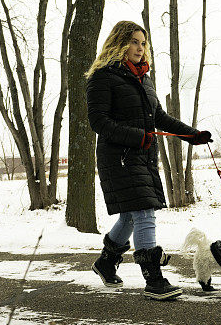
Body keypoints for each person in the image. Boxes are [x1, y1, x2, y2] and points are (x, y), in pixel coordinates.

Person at [85, 20, 212, 300]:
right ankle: (153, 278)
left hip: (143, 156)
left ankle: (106, 262)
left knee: (131, 215)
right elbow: (99, 121)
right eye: (134, 42)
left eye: (143, 43)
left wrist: (193, 135)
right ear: (119, 43)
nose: (140, 48)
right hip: (118, 158)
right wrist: (136, 137)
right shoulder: (102, 76)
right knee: (144, 211)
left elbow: (160, 118)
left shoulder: (144, 78)